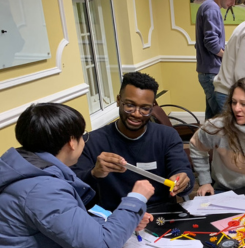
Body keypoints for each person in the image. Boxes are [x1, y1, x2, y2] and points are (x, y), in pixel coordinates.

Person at [0, 103, 154, 248]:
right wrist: (136, 200)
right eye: (83, 136)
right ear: (72, 142)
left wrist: (124, 220)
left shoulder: (30, 171)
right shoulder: (42, 188)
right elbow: (100, 247)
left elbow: (68, 221)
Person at [71, 72, 194, 212]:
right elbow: (75, 187)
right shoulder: (92, 142)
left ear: (152, 107)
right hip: (114, 218)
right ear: (118, 100)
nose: (136, 113)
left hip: (159, 214)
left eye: (145, 108)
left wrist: (183, 180)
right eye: (129, 105)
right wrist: (94, 173)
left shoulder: (167, 135)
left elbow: (182, 170)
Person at [195, 0, 234, 121]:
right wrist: (227, 56)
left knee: (212, 116)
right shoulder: (212, 8)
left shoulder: (207, 6)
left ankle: (205, 140)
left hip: (208, 72)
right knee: (222, 119)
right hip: (211, 73)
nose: (232, 3)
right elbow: (211, 42)